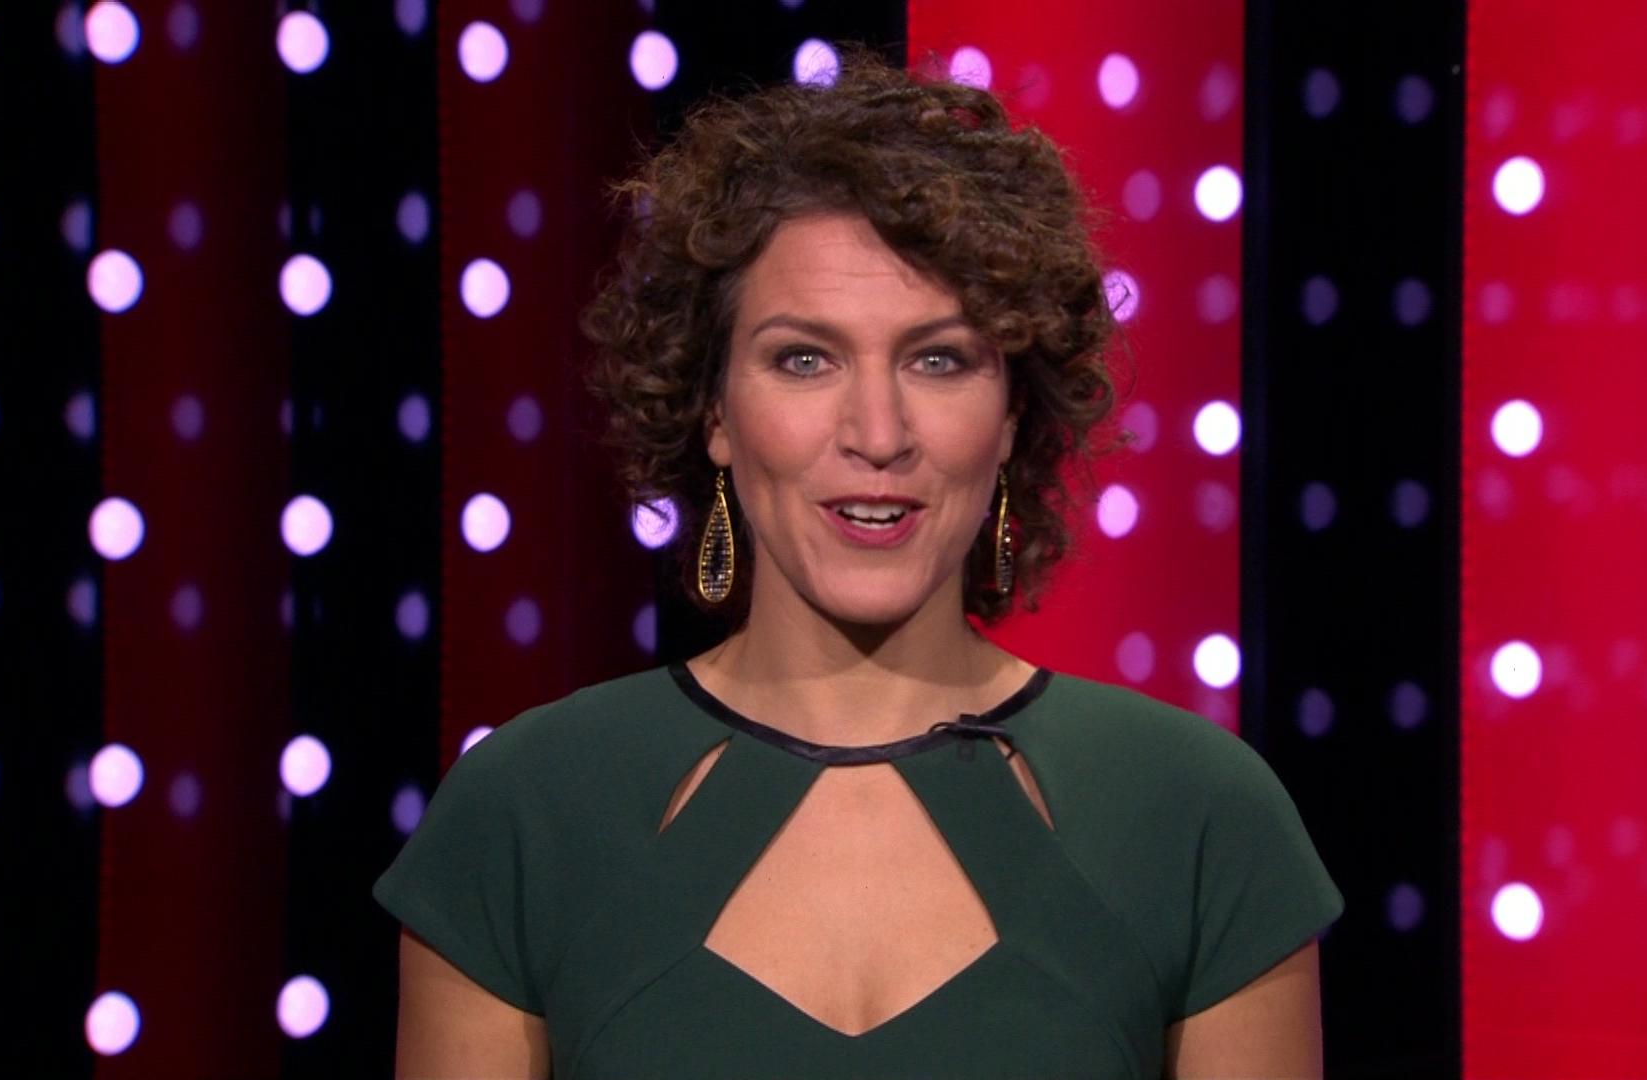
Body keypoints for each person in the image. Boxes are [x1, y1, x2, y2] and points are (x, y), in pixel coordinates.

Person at [374, 50, 1343, 1079]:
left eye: (939, 359)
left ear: (1011, 417)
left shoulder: (1197, 815)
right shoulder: (526, 813)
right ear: (713, 411)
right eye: (804, 359)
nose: (878, 433)